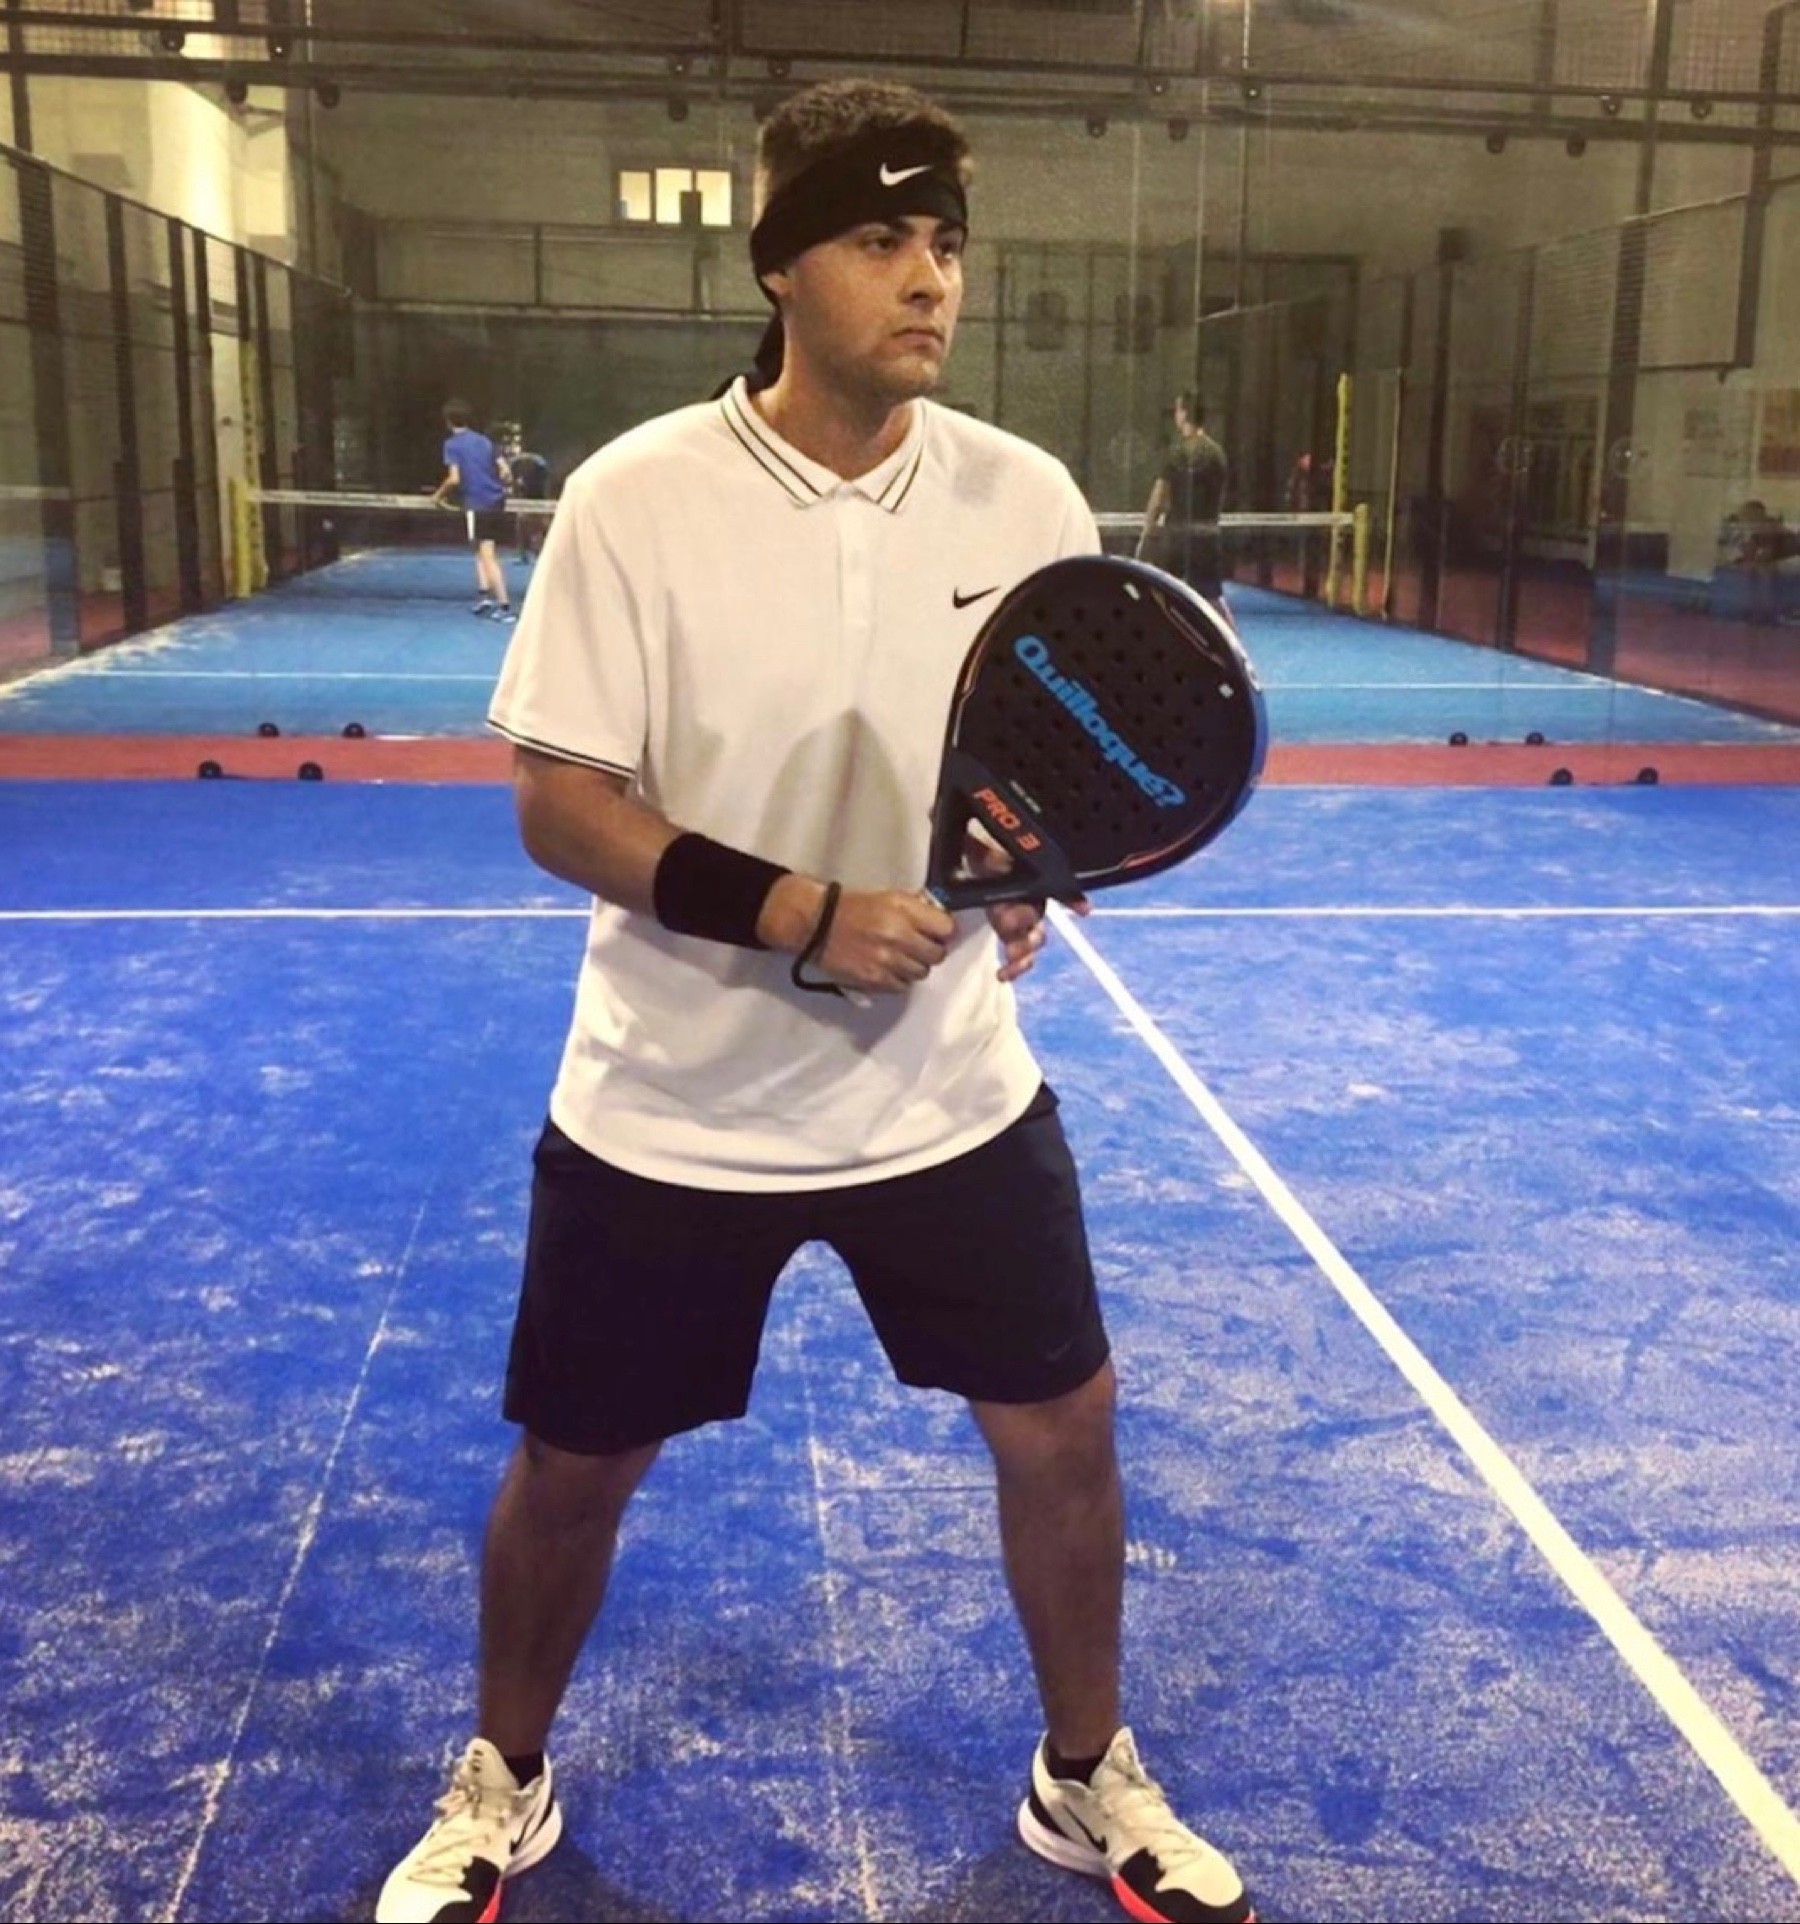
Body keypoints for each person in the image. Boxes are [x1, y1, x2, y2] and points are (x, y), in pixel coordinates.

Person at [375, 77, 1252, 1924]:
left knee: (1067, 1428)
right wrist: (799, 910)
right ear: (781, 265)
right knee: (573, 1468)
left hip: (948, 1093)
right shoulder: (638, 497)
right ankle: (503, 1778)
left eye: (947, 244)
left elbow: (1037, 752)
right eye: (880, 239)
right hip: (671, 1104)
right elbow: (562, 802)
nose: (930, 281)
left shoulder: (1025, 494)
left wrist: (1022, 873)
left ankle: (1084, 1770)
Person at [1138, 392, 1228, 604]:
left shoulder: (1176, 453)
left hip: (1178, 536)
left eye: (1178, 410)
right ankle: (1225, 628)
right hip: (1207, 536)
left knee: (1165, 595)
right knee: (1212, 600)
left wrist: (1147, 532)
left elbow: (1159, 498)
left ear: (1185, 414)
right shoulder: (1217, 454)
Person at [430, 399, 515, 622]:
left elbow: (454, 479)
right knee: (480, 547)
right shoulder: (485, 441)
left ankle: (505, 606)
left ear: (448, 422)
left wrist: (437, 496)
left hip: (478, 503)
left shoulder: (452, 445)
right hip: (496, 501)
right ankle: (484, 597)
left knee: (487, 553)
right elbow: (506, 471)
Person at [502, 427, 551, 566]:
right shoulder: (518, 464)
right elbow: (512, 478)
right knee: (522, 527)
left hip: (539, 500)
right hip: (526, 500)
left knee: (541, 528)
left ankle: (543, 554)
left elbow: (544, 479)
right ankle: (524, 554)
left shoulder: (539, 464)